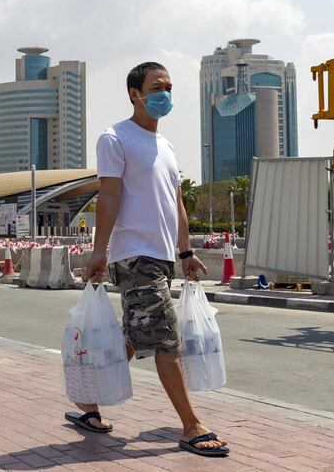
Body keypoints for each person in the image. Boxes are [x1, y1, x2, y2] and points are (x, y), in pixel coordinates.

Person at [66, 62, 229, 457]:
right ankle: (191, 425)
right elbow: (109, 196)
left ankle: (86, 399)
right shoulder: (115, 138)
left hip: (161, 257)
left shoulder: (167, 146)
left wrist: (186, 251)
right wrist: (99, 251)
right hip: (135, 256)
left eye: (170, 87)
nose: (166, 94)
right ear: (135, 93)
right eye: (158, 87)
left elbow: (176, 202)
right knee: (163, 340)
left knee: (136, 334)